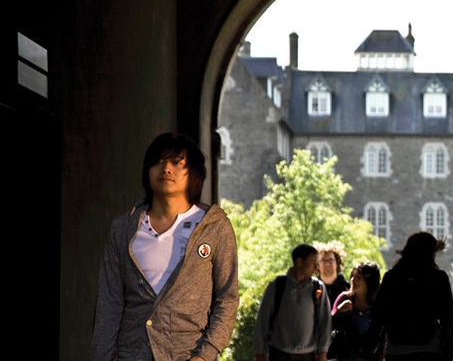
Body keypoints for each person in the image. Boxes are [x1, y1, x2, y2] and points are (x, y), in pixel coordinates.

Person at [91, 132, 239, 361]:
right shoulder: (124, 228)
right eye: (159, 162)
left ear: (194, 174)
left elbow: (227, 298)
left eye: (177, 163)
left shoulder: (214, 227)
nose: (166, 169)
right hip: (131, 353)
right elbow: (110, 300)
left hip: (187, 353)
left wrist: (205, 355)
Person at [373, 232, 453, 361]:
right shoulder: (438, 278)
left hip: (397, 349)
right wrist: (448, 346)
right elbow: (448, 317)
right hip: (430, 348)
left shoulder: (391, 278)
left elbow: (378, 315)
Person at [254, 244, 332, 361]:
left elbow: (325, 322)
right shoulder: (277, 286)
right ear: (299, 262)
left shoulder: (317, 288)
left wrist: (322, 352)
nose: (316, 268)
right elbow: (262, 321)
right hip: (279, 354)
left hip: (308, 356)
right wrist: (260, 352)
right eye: (313, 263)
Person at [328, 262, 387, 361]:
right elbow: (329, 326)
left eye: (358, 277)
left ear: (369, 282)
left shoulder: (378, 305)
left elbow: (382, 338)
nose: (353, 280)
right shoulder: (344, 298)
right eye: (352, 276)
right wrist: (339, 311)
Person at [315, 240, 350, 305]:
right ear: (317, 265)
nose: (328, 263)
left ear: (337, 263)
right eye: (323, 260)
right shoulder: (312, 289)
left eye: (331, 260)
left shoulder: (348, 289)